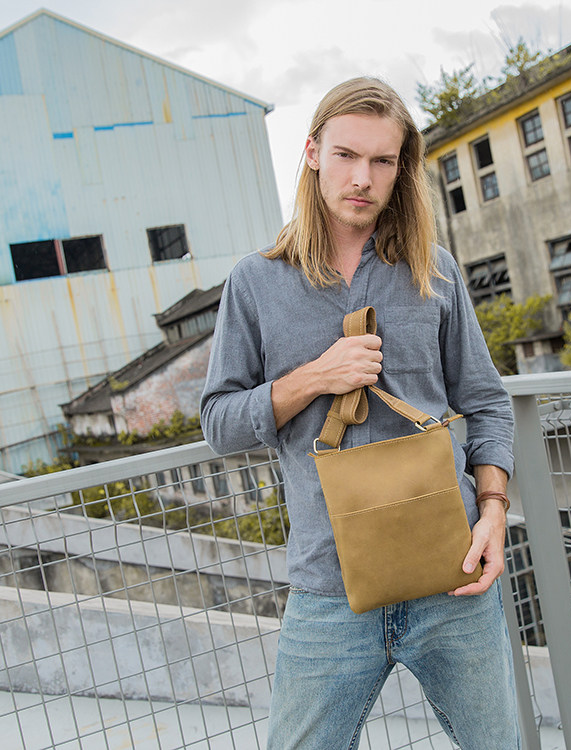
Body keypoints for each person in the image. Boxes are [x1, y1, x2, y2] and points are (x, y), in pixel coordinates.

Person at [200, 77, 520, 749]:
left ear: (401, 168)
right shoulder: (255, 281)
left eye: (382, 160)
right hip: (329, 588)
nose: (361, 178)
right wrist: (316, 377)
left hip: (454, 575)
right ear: (313, 152)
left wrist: (493, 510)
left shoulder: (434, 271)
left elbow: (486, 401)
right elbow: (219, 422)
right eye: (346, 155)